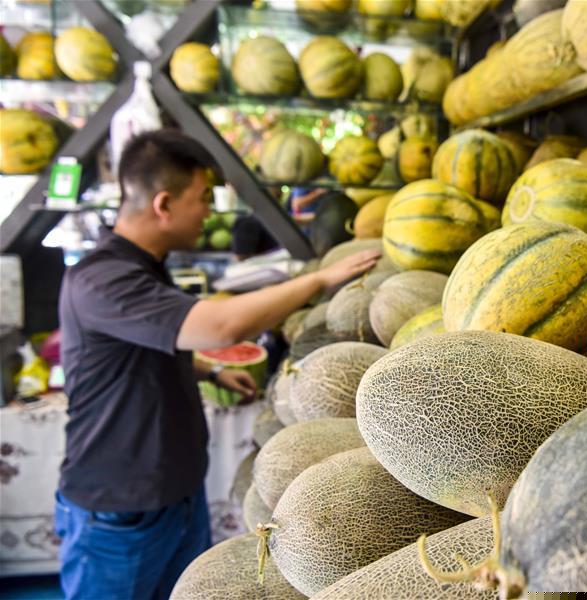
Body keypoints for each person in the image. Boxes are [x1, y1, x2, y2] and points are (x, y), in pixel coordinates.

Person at [54, 129, 379, 600]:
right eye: (203, 197)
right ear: (164, 204)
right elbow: (220, 328)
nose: (209, 211)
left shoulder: (142, 264)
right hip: (117, 512)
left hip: (171, 496)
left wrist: (206, 372)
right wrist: (319, 280)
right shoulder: (101, 279)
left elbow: (137, 353)